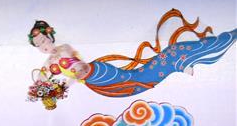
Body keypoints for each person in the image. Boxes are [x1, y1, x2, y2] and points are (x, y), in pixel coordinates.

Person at [28, 10, 236, 98]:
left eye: (44, 40)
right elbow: (41, 76)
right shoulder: (48, 60)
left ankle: (179, 58)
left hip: (99, 72)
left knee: (139, 77)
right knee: (139, 78)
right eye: (38, 45)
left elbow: (79, 69)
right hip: (95, 83)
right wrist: (42, 90)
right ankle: (177, 61)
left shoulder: (63, 49)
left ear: (51, 37)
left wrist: (63, 86)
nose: (43, 46)